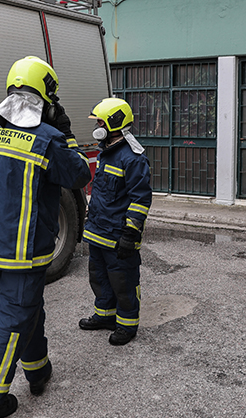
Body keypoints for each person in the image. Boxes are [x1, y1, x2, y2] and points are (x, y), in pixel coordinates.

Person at [0, 56, 91, 418]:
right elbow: (79, 175)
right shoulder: (48, 140)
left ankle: (38, 369)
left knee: (28, 307)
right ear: (48, 99)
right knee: (15, 314)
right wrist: (66, 134)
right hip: (23, 250)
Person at [78, 97, 152, 346]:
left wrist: (130, 234)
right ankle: (105, 315)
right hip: (99, 231)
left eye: (100, 121)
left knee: (123, 281)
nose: (97, 126)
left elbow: (140, 200)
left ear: (114, 123)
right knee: (98, 277)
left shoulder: (132, 158)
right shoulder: (107, 152)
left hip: (118, 236)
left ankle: (127, 324)